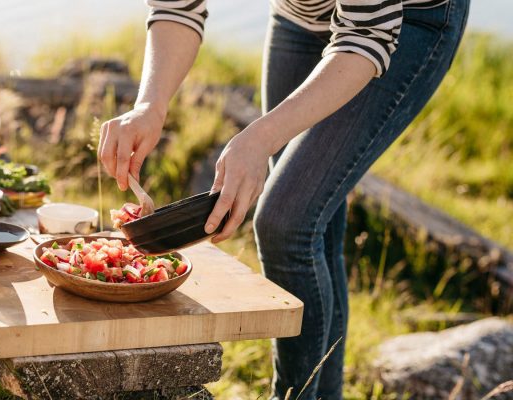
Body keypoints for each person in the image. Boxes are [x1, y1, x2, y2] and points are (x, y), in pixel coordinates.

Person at [97, 0, 469, 397]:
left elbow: (366, 33)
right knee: (314, 222)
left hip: (401, 22)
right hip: (299, 16)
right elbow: (178, 7)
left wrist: (259, 138)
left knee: (286, 222)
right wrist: (149, 107)